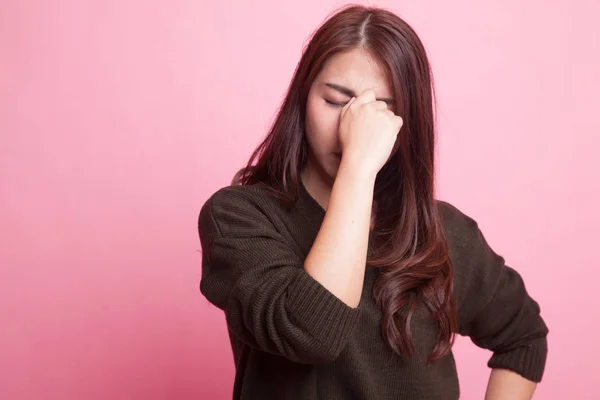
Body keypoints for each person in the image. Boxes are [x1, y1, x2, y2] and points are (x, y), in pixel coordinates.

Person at [198, 4, 548, 399]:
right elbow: (312, 334)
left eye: (379, 111)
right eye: (335, 101)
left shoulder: (441, 233)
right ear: (302, 98)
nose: (355, 127)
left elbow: (525, 338)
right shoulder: (240, 217)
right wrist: (358, 168)